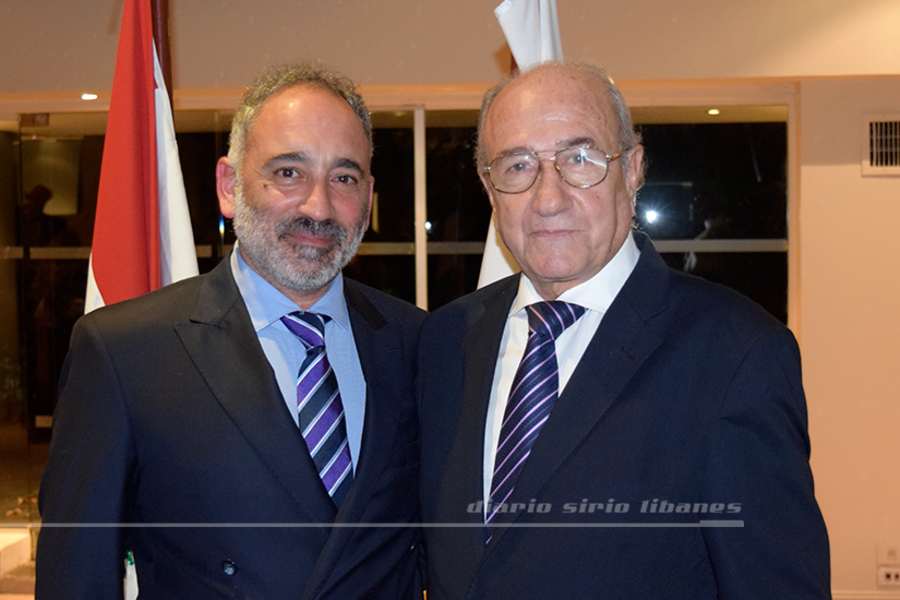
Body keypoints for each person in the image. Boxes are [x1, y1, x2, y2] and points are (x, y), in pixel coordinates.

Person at [418, 62, 830, 599]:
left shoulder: (737, 356)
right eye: (518, 165)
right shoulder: (445, 341)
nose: (548, 198)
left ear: (633, 170)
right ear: (489, 189)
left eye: (580, 158)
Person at [36, 62, 425, 599]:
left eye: (344, 177)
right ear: (229, 185)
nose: (319, 206)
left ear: (369, 194)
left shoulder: (417, 343)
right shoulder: (125, 353)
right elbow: (76, 578)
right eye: (288, 172)